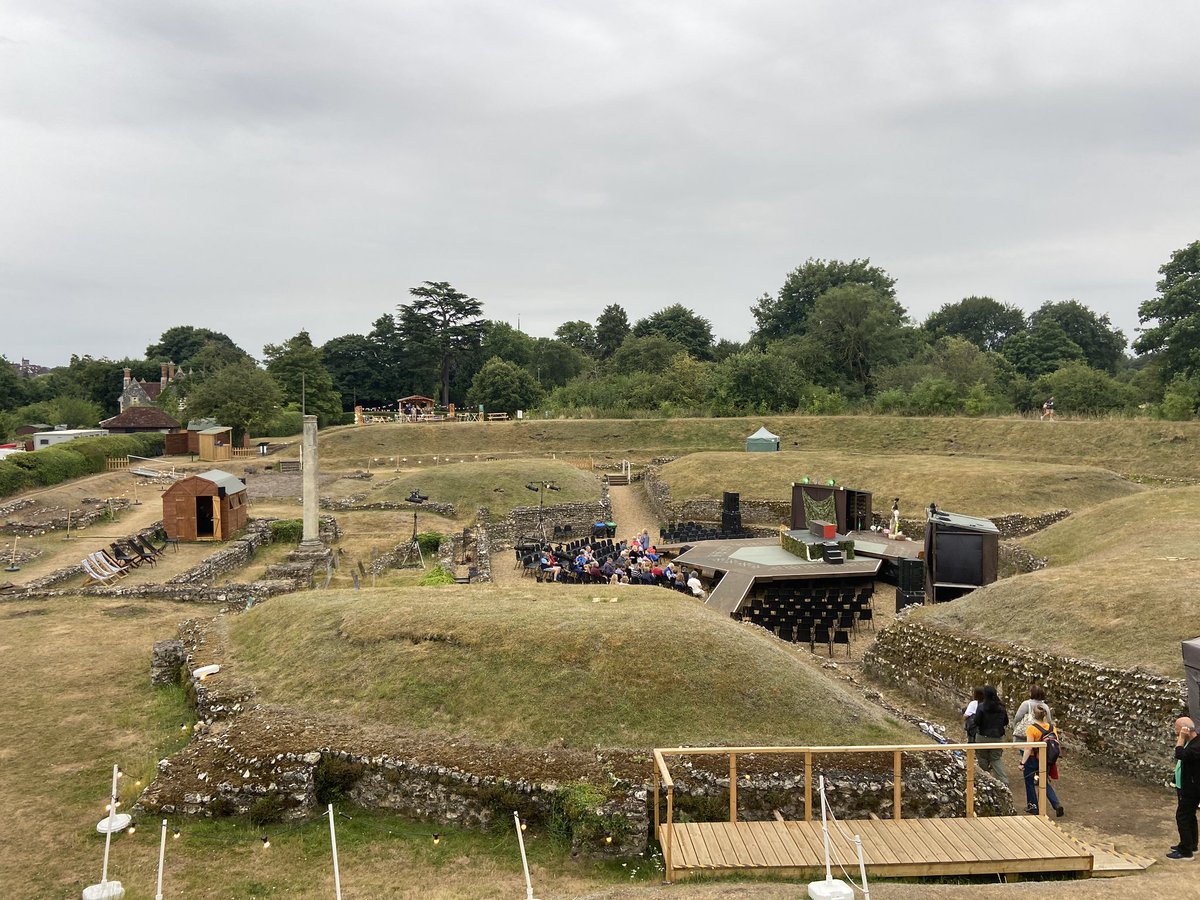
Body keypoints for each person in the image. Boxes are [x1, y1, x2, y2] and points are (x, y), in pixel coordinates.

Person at [1021, 703, 1063, 817]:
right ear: (1045, 715)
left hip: (1033, 759)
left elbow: (1028, 748)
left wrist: (1022, 762)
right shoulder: (1051, 727)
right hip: (1047, 759)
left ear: (1033, 715)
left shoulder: (1031, 729)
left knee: (1029, 781)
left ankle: (1033, 806)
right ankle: (1056, 804)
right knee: (1044, 782)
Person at [1168, 716, 1200, 860]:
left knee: (1182, 817)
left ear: (1186, 731)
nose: (1176, 733)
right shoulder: (1193, 742)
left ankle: (1186, 851)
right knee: (1189, 816)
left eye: (1178, 730)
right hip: (1186, 785)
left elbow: (1179, 754)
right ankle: (1192, 844)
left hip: (1191, 788)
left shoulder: (1195, 746)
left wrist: (1181, 739)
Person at [973, 686, 1010, 781]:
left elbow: (977, 721)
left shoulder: (981, 706)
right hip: (997, 737)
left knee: (982, 757)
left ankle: (985, 778)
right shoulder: (1001, 707)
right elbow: (1006, 721)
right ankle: (1003, 780)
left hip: (982, 736)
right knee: (996, 759)